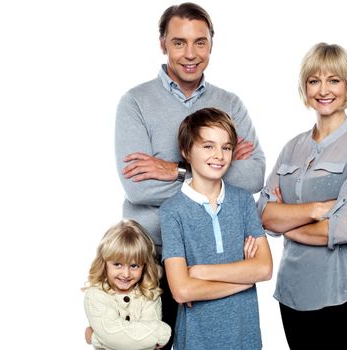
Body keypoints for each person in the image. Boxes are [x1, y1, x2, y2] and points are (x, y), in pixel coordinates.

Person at [115, 3, 265, 347]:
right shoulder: (135, 102)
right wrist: (211, 176)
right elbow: (137, 188)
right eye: (179, 42)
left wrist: (173, 169)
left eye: (200, 42)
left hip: (220, 260)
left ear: (211, 44)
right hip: (151, 257)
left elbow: (255, 175)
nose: (190, 54)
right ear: (162, 43)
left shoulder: (231, 103)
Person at [257, 43, 347, 350]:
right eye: (314, 80)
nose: (323, 90)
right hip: (292, 291)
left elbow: (343, 229)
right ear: (305, 88)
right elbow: (262, 214)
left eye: (334, 80)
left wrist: (285, 221)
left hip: (342, 291)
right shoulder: (291, 148)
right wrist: (316, 209)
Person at [159, 107, 272, 350]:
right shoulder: (172, 212)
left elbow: (263, 268)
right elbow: (181, 290)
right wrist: (244, 279)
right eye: (208, 146)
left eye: (226, 147)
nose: (219, 155)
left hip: (245, 338)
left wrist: (199, 271)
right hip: (196, 340)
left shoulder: (243, 202)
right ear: (186, 151)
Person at [83, 219, 171, 350]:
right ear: (104, 262)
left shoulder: (149, 294)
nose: (126, 274)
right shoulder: (95, 295)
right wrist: (162, 330)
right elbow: (112, 335)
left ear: (145, 266)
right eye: (117, 264)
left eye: (134, 266)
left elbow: (150, 345)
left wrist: (95, 338)